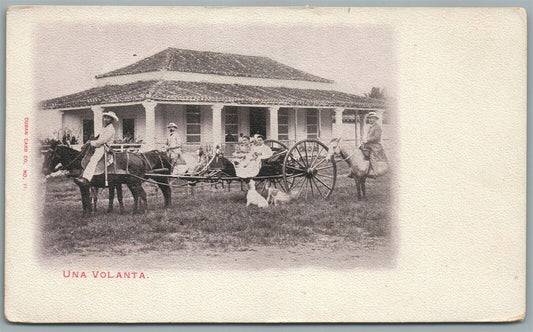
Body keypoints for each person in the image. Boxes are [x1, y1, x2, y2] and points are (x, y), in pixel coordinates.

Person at [75, 111, 118, 185]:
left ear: (111, 120)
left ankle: (86, 179)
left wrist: (92, 143)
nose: (105, 119)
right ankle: (82, 174)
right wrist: (92, 140)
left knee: (93, 160)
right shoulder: (105, 128)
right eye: (105, 117)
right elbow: (99, 137)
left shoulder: (110, 129)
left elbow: (102, 140)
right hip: (98, 146)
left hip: (103, 147)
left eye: (108, 118)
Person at [362, 111, 388, 177]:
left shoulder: (377, 127)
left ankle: (375, 172)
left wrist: (367, 140)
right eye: (369, 118)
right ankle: (355, 170)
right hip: (368, 145)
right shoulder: (370, 127)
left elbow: (376, 137)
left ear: (375, 119)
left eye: (372, 118)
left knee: (371, 155)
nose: (370, 120)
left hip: (375, 146)